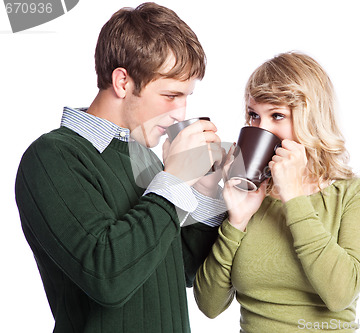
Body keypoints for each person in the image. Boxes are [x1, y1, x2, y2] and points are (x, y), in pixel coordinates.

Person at [15, 3, 227, 333]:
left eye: (186, 97)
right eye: (170, 95)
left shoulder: (145, 158)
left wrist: (203, 188)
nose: (180, 112)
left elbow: (178, 268)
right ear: (123, 81)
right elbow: (107, 277)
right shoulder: (51, 157)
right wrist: (173, 180)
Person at [194, 52, 360, 332]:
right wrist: (236, 221)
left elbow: (340, 294)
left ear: (311, 120)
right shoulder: (249, 195)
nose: (262, 128)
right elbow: (209, 306)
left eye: (278, 115)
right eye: (254, 115)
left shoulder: (357, 195)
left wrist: (294, 197)